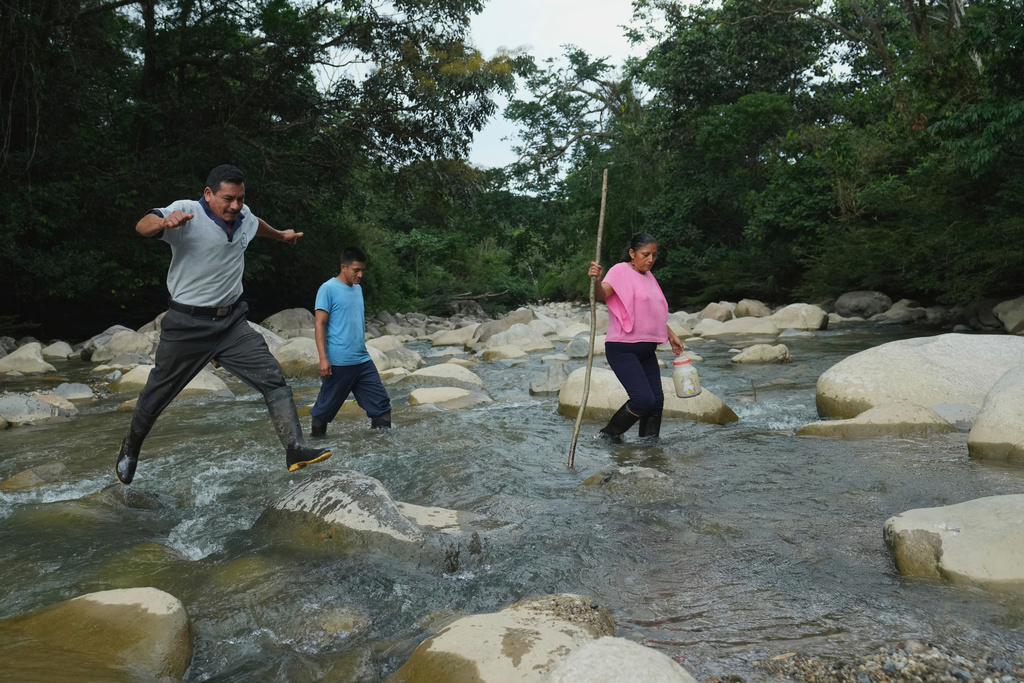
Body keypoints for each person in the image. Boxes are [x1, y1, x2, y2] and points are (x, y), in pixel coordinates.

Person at [115, 165, 333, 485]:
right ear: (208, 194)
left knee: (273, 377)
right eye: (227, 199)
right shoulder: (186, 212)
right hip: (187, 325)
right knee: (158, 393)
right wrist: (163, 222)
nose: (234, 206)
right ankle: (130, 447)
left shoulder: (244, 216)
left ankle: (295, 448)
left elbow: (255, 224)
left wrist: (281, 235)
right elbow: (142, 225)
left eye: (240, 199)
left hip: (232, 324)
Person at [587, 232, 684, 440]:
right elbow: (602, 294)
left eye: (654, 255)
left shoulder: (649, 276)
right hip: (622, 348)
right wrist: (595, 280)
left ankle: (649, 449)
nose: (650, 260)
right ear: (632, 253)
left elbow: (651, 313)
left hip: (647, 350)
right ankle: (608, 435)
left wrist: (671, 334)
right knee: (643, 401)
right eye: (645, 254)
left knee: (656, 403)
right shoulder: (620, 271)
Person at [309, 247, 393, 435]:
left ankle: (382, 451)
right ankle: (314, 445)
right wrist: (323, 358)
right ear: (343, 267)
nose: (360, 274)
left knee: (382, 406)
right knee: (323, 412)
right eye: (356, 270)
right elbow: (319, 324)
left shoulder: (358, 289)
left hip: (362, 361)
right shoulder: (328, 289)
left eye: (362, 270)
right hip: (339, 362)